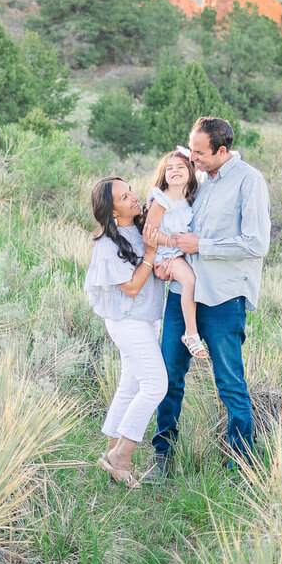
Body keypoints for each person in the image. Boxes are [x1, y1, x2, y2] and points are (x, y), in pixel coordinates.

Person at [144, 116, 271, 482]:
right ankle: (162, 455)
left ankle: (240, 465)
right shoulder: (200, 181)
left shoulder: (250, 181)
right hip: (183, 294)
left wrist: (203, 247)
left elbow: (257, 243)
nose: (192, 157)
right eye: (191, 149)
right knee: (169, 377)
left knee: (230, 383)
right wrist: (167, 263)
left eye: (199, 153)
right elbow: (176, 228)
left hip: (223, 298)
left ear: (221, 151)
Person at [84, 176, 167, 490]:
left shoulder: (140, 227)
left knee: (130, 385)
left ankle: (109, 450)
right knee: (155, 384)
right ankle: (122, 456)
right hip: (127, 320)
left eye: (130, 190)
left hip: (145, 319)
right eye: (123, 196)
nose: (133, 196)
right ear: (113, 211)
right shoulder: (108, 245)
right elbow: (132, 288)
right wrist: (149, 252)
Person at [143, 150, 208, 360]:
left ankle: (192, 330)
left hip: (179, 253)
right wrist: (174, 242)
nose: (175, 171)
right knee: (190, 280)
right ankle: (191, 334)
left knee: (192, 281)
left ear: (190, 171)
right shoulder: (161, 200)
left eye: (180, 167)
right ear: (163, 174)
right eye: (169, 168)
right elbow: (149, 232)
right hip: (166, 254)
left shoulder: (190, 198)